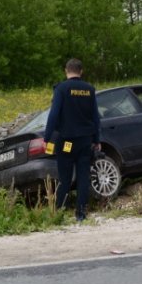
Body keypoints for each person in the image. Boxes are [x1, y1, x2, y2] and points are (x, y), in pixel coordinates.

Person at [43, 58, 101, 222]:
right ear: (81, 71)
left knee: (65, 177)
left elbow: (54, 115)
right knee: (83, 177)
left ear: (66, 71)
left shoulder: (61, 89)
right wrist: (97, 139)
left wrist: (47, 138)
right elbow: (95, 117)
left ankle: (59, 212)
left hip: (67, 142)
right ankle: (81, 214)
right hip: (85, 141)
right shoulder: (89, 89)